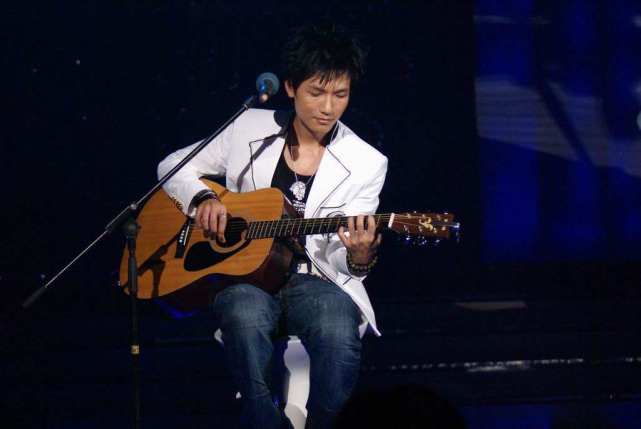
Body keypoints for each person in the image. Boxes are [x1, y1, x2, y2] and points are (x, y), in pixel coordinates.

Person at [158, 23, 387, 429]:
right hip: (247, 276)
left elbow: (344, 261)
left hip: (316, 279)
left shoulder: (367, 162)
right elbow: (173, 166)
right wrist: (203, 199)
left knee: (337, 328)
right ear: (291, 88)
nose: (328, 108)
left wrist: (359, 255)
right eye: (316, 93)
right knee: (243, 314)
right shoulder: (248, 127)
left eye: (340, 95)